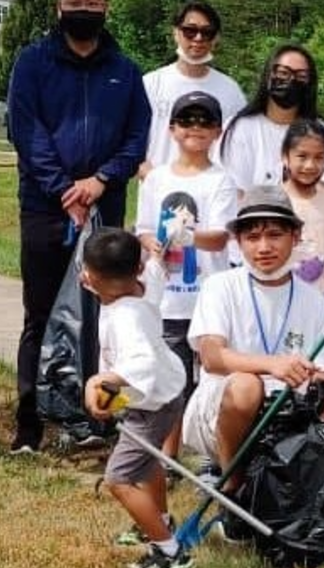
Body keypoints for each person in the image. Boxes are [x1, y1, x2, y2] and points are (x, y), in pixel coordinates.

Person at [8, 0, 152, 453]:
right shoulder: (33, 63)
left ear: (106, 9)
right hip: (45, 210)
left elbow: (137, 138)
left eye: (94, 2)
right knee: (40, 315)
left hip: (105, 209)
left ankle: (99, 421)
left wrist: (99, 181)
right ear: (59, 7)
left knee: (104, 320)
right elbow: (25, 132)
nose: (84, 9)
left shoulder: (125, 70)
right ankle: (30, 426)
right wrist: (64, 190)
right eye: (76, 1)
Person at [181, 184, 324, 541]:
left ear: (295, 236)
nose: (264, 247)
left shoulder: (316, 302)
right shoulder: (220, 287)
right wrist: (272, 365)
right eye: (253, 236)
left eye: (275, 235)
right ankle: (233, 493)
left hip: (287, 417)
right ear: (238, 241)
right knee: (247, 384)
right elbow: (212, 357)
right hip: (221, 409)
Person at [134, 91, 238, 456]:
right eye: (187, 121)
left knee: (211, 380)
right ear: (173, 129)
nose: (196, 129)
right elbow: (144, 228)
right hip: (168, 298)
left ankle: (213, 455)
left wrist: (186, 235)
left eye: (205, 122)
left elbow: (220, 236)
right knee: (171, 381)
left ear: (218, 131)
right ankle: (167, 456)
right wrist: (155, 243)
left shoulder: (220, 180)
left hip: (207, 297)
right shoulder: (156, 178)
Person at [79, 229, 190, 568]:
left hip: (152, 402)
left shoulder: (127, 317)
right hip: (161, 393)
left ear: (90, 276)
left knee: (119, 479)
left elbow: (141, 362)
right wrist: (160, 249)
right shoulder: (144, 283)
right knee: (146, 461)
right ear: (137, 269)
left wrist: (98, 382)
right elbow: (156, 266)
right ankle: (159, 521)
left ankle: (170, 552)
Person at [140, 0, 246, 173]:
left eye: (207, 32)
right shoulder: (150, 84)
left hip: (212, 192)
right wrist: (152, 177)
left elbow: (240, 147)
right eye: (190, 30)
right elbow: (129, 140)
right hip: (158, 192)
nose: (198, 38)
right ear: (176, 32)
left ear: (216, 37)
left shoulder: (231, 91)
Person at [221, 44, 324, 191]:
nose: (291, 81)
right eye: (283, 73)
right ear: (268, 76)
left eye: (301, 76)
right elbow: (234, 190)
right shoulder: (240, 128)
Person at [280, 120, 324, 294]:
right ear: (285, 156)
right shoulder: (273, 200)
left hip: (320, 302)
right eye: (302, 156)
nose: (310, 165)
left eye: (319, 157)